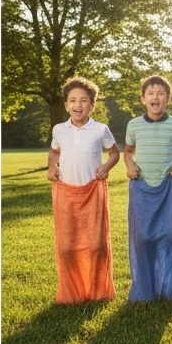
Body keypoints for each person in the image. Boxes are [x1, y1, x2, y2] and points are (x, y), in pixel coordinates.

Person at [47, 76, 120, 303]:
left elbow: (115, 153)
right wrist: (52, 167)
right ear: (66, 105)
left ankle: (98, 293)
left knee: (96, 245)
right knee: (67, 246)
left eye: (84, 100)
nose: (78, 105)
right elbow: (54, 152)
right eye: (72, 100)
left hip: (92, 191)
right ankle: (72, 293)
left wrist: (106, 167)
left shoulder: (100, 129)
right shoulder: (59, 129)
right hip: (66, 192)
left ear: (92, 104)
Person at [123, 75, 172, 301]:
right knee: (142, 238)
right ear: (143, 99)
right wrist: (130, 166)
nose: (155, 97)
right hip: (142, 187)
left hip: (168, 185)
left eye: (160, 93)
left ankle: (170, 289)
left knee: (171, 235)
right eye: (151, 93)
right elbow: (127, 152)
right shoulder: (134, 125)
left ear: (168, 98)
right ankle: (145, 290)